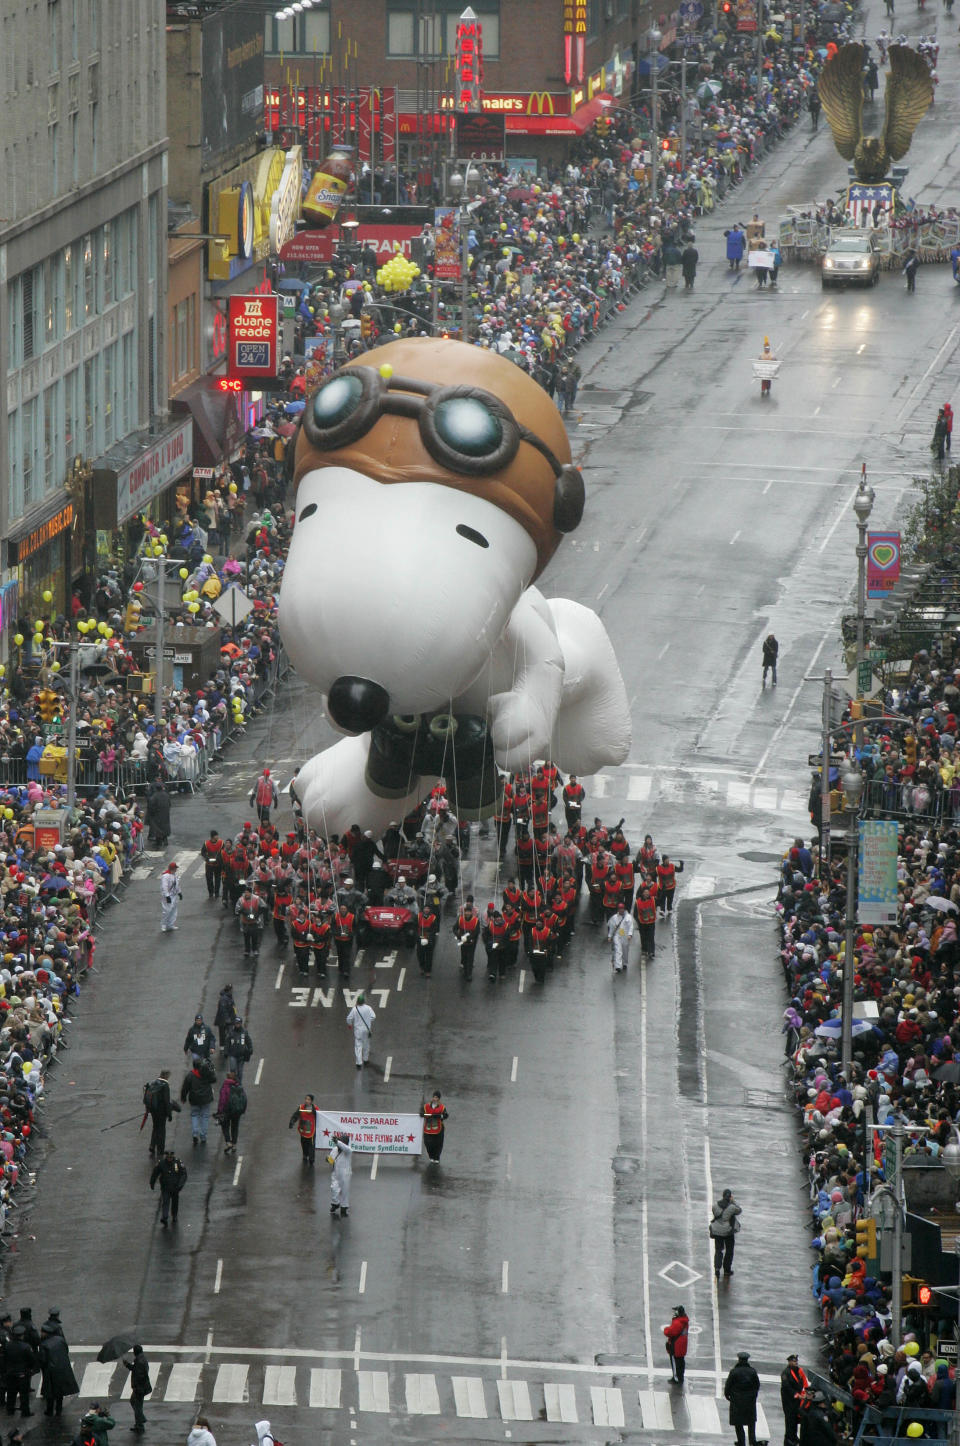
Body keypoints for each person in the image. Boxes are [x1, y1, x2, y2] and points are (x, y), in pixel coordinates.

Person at [38, 1317, 78, 1417]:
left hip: (51, 1371)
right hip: (62, 1369)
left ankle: (49, 1410)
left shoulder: (44, 1344)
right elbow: (66, 1350)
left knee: (50, 1392)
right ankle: (59, 1410)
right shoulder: (60, 1340)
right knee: (60, 1392)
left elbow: (43, 1360)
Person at [724, 1352, 763, 1446]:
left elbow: (728, 1385)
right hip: (750, 1401)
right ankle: (752, 1441)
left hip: (737, 1401)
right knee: (751, 1422)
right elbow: (757, 1385)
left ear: (739, 1359)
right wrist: (753, 1396)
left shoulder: (734, 1371)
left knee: (738, 1423)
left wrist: (727, 1395)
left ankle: (741, 1442)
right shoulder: (752, 1371)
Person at [143, 1070, 180, 1157]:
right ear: (166, 1076)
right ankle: (160, 1149)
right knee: (162, 1130)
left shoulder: (154, 1082)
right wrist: (169, 1114)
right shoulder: (165, 1085)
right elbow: (166, 1101)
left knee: (155, 1127)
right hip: (161, 1111)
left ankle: (152, 1145)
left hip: (153, 1110)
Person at [180, 1059, 215, 1146]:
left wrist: (183, 1097)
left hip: (194, 1099)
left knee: (194, 1115)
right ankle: (203, 1136)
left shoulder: (190, 1075)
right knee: (205, 1116)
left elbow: (185, 1088)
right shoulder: (207, 1073)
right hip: (206, 1098)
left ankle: (195, 1132)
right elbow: (214, 1079)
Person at [149, 1150, 188, 1227]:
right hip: (165, 1187)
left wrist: (180, 1185)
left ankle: (174, 1215)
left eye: (171, 1157)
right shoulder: (161, 1163)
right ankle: (165, 1217)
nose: (169, 1158)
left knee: (175, 1202)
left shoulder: (178, 1163)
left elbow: (184, 1174)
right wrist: (152, 1182)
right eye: (168, 1157)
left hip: (175, 1187)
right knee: (165, 1201)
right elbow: (155, 1173)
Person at [711, 1188, 742, 1279]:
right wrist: (733, 1201)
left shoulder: (715, 1205)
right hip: (728, 1232)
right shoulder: (732, 1207)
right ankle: (727, 1270)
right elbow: (739, 1210)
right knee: (729, 1251)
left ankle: (717, 1268)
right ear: (730, 1197)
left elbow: (714, 1212)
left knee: (718, 1250)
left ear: (723, 1195)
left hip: (717, 1231)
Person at [121, 1346, 151, 1435]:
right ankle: (140, 1422)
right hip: (140, 1388)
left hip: (139, 1389)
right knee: (135, 1403)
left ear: (135, 1352)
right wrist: (127, 1364)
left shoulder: (140, 1361)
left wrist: (137, 1387)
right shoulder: (141, 1359)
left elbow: (139, 1375)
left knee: (137, 1405)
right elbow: (135, 1369)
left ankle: (140, 1423)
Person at [215, 1070, 246, 1155]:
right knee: (235, 1127)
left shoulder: (225, 1086)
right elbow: (244, 1099)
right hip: (237, 1111)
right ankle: (234, 1144)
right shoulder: (239, 1086)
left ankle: (228, 1142)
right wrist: (242, 1110)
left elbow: (222, 1101)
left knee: (225, 1126)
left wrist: (219, 1112)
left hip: (227, 1111)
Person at [781, 1354, 809, 1446]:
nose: (795, 1362)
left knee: (795, 1419)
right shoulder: (785, 1373)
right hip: (789, 1400)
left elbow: (804, 1382)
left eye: (796, 1361)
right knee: (790, 1419)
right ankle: (789, 1437)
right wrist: (796, 1395)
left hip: (797, 1400)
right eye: (793, 1361)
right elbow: (786, 1387)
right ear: (789, 1362)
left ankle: (794, 1436)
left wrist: (805, 1393)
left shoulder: (799, 1371)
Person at [346, 993, 375, 1068]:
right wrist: (368, 1020)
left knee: (358, 1046)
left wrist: (350, 1024)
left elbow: (349, 1018)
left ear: (357, 1001)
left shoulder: (355, 1009)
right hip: (366, 1030)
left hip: (358, 1031)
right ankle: (365, 1059)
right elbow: (373, 1017)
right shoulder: (368, 1008)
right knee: (366, 1045)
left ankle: (359, 1062)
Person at [289, 1094, 319, 1165]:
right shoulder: (301, 1107)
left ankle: (311, 1158)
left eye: (308, 1099)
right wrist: (292, 1122)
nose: (306, 1101)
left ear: (311, 1101)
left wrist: (314, 1112)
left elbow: (320, 1117)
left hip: (311, 1131)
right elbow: (296, 1115)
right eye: (306, 1099)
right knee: (304, 1144)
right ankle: (305, 1155)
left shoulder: (315, 1109)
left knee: (311, 1145)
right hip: (303, 1130)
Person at [663, 1305, 689, 1386]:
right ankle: (680, 1377)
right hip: (682, 1345)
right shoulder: (684, 1321)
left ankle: (676, 1378)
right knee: (681, 1362)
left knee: (675, 1363)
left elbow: (669, 1332)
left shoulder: (678, 1322)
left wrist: (665, 1329)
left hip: (676, 1346)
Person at [327, 1132, 352, 1217]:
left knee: (344, 1191)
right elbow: (331, 1160)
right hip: (336, 1172)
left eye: (341, 1142)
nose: (338, 1144)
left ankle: (344, 1208)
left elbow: (344, 1147)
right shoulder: (334, 1149)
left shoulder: (348, 1151)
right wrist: (328, 1159)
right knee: (334, 1188)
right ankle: (335, 1203)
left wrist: (337, 1142)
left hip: (345, 1173)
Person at [421, 1091, 449, 1162]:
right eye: (434, 1097)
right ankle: (431, 1155)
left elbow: (445, 1115)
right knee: (427, 1143)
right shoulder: (426, 1106)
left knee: (438, 1144)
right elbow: (422, 1113)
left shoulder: (442, 1107)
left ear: (438, 1099)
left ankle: (436, 1157)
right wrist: (422, 1114)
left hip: (438, 1129)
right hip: (428, 1128)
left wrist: (439, 1116)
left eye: (436, 1097)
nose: (434, 1098)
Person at [607, 901, 634, 972]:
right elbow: (612, 928)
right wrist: (609, 936)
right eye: (619, 908)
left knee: (625, 950)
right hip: (617, 936)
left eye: (622, 908)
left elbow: (631, 926)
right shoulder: (614, 918)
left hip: (625, 936)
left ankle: (625, 963)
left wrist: (630, 934)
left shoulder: (628, 917)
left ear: (624, 909)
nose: (621, 910)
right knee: (618, 950)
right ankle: (618, 966)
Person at [224, 1017, 253, 1083]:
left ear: (241, 1024)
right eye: (236, 1023)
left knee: (240, 1072)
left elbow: (248, 1041)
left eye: (238, 1023)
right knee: (233, 1070)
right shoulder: (231, 1033)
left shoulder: (244, 1032)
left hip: (241, 1056)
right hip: (232, 1055)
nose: (237, 1025)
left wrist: (250, 1048)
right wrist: (226, 1052)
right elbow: (227, 1042)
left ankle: (239, 1084)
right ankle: (232, 1083)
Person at [200, 830, 223, 899]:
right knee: (209, 878)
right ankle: (211, 892)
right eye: (216, 835)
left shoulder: (221, 843)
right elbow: (203, 852)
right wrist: (206, 858)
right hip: (209, 864)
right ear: (213, 837)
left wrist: (220, 858)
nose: (217, 837)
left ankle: (216, 893)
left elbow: (224, 851)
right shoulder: (206, 844)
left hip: (218, 864)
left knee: (218, 878)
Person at [213, 985, 237, 1053]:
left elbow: (233, 1008)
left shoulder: (229, 997)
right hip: (223, 1020)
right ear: (229, 990)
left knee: (230, 1033)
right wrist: (227, 1019)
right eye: (231, 989)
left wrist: (234, 1017)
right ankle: (222, 1048)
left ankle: (230, 1047)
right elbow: (223, 1010)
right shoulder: (224, 999)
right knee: (223, 1034)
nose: (232, 991)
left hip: (230, 1019)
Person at [160, 861, 181, 932]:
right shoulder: (165, 876)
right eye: (175, 868)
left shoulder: (174, 875)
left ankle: (171, 924)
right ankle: (163, 925)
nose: (176, 869)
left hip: (174, 896)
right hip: (168, 896)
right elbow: (164, 887)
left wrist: (179, 893)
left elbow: (177, 885)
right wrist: (167, 896)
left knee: (173, 911)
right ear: (172, 868)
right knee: (167, 911)